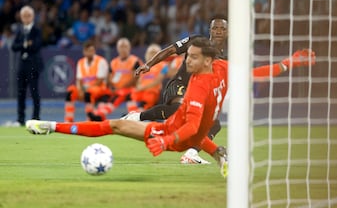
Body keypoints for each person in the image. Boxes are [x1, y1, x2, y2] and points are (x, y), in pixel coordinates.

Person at [123, 16, 316, 165]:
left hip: (201, 94)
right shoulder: (196, 41)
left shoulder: (228, 57)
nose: (218, 31)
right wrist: (149, 65)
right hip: (180, 85)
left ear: (228, 32)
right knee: (180, 109)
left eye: (222, 28)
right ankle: (137, 117)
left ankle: (191, 155)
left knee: (213, 125)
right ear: (209, 30)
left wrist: (287, 64)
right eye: (215, 27)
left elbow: (254, 73)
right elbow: (171, 50)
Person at [25, 37, 229, 178]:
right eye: (188, 56)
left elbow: (192, 129)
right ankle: (50, 126)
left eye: (193, 57)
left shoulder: (199, 87)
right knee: (113, 124)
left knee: (115, 125)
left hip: (167, 133)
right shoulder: (221, 68)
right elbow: (253, 71)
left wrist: (166, 141)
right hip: (174, 129)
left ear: (207, 60)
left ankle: (201, 154)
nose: (187, 60)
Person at [87, 38, 143, 121]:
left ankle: (133, 116)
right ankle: (99, 115)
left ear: (129, 48)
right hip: (116, 90)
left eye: (125, 47)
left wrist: (120, 88)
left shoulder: (135, 61)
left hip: (130, 89)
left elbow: (135, 79)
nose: (123, 49)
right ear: (117, 48)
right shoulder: (113, 62)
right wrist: (112, 87)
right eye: (121, 47)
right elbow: (109, 77)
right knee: (105, 95)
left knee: (122, 94)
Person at [11, 5, 43, 126]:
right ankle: (20, 119)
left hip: (33, 65)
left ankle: (36, 117)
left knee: (34, 92)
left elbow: (37, 46)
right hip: (22, 65)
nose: (26, 18)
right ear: (21, 17)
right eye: (24, 16)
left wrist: (25, 45)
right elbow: (14, 47)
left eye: (28, 16)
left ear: (33, 17)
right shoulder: (20, 30)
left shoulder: (37, 30)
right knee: (21, 93)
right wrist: (26, 44)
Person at [64, 41, 109, 122]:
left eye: (91, 50)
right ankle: (68, 120)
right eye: (88, 51)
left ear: (94, 51)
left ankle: (89, 118)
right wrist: (80, 90)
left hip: (99, 89)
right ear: (84, 52)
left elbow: (100, 80)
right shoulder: (81, 62)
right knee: (71, 91)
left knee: (89, 93)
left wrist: (85, 89)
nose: (90, 53)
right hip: (85, 88)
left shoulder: (101, 61)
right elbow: (79, 80)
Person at [126, 43, 169, 113]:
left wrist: (143, 87)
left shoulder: (164, 66)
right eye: (151, 53)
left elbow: (157, 81)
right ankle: (133, 114)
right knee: (132, 96)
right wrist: (139, 87)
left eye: (155, 53)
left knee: (148, 98)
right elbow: (139, 80)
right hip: (142, 90)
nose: (153, 55)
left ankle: (140, 113)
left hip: (153, 91)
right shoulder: (144, 66)